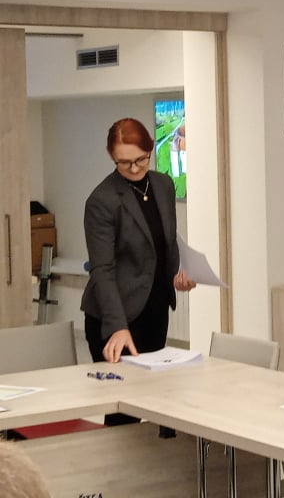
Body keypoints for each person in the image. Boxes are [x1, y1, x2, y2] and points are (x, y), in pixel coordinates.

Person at [81, 118, 196, 424]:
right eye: (124, 162)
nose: (134, 168)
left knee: (153, 399)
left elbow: (165, 241)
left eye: (140, 159)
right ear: (112, 157)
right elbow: (102, 269)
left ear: (150, 149)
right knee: (124, 410)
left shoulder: (163, 185)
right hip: (114, 315)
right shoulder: (102, 201)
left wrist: (177, 273)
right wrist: (118, 327)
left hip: (154, 310)